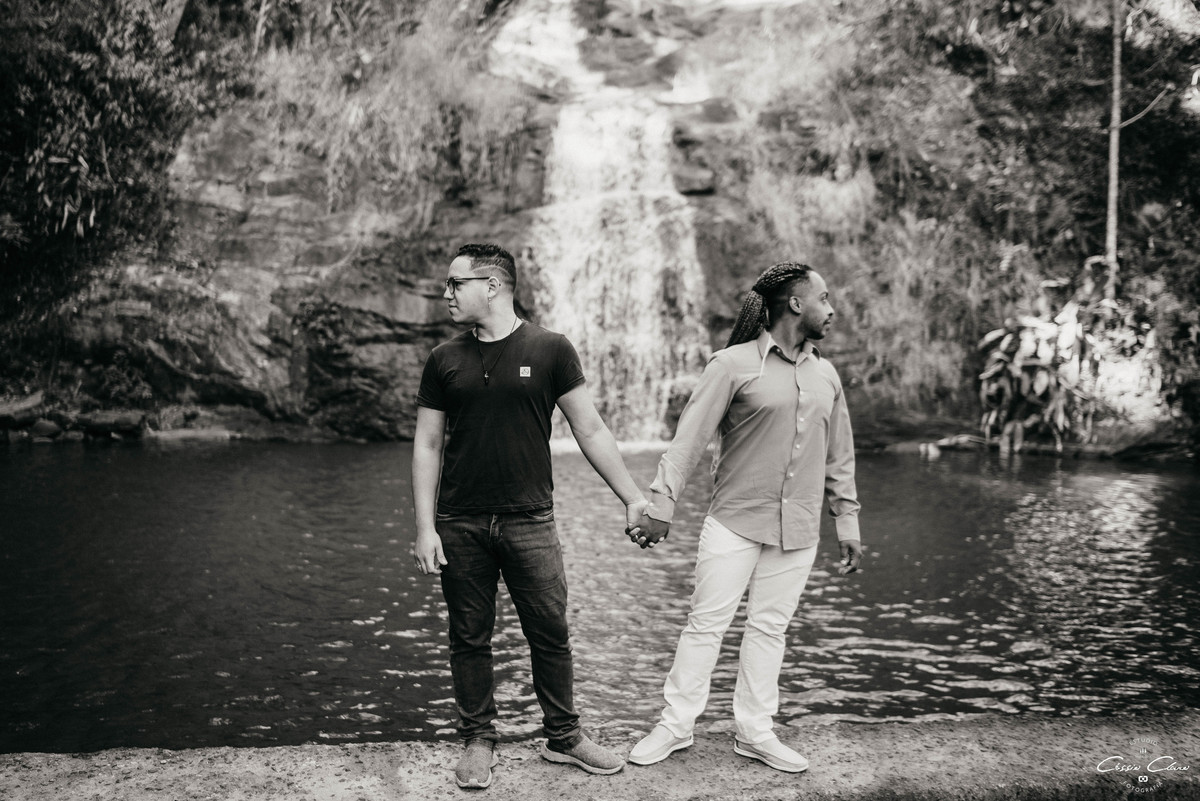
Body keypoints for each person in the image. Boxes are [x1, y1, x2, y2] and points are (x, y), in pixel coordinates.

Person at [411, 243, 647, 789]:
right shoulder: (443, 358)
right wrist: (425, 527)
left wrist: (632, 497)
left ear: (492, 285)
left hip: (530, 520)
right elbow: (427, 444)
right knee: (469, 636)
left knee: (550, 630)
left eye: (456, 283)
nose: (446, 293)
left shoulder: (551, 349)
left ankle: (564, 737)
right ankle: (478, 739)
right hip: (460, 521)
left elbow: (590, 428)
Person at [627, 262, 863, 773]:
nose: (832, 309)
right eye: (824, 298)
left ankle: (755, 732)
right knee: (705, 626)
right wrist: (662, 505)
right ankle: (675, 725)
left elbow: (839, 454)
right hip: (735, 520)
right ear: (795, 303)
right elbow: (689, 441)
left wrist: (846, 520)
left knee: (770, 629)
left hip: (798, 528)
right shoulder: (731, 364)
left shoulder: (826, 374)